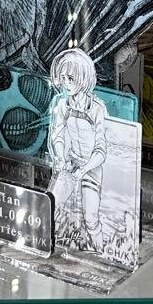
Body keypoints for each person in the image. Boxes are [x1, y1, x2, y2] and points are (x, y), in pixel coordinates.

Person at [47, 49, 108, 253]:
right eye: (63, 78)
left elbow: (101, 150)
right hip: (70, 163)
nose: (66, 83)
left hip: (91, 169)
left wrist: (84, 169)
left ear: (82, 77)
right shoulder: (63, 105)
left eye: (70, 78)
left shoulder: (97, 109)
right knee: (51, 206)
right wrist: (60, 157)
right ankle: (47, 243)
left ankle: (101, 252)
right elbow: (57, 135)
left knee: (90, 218)